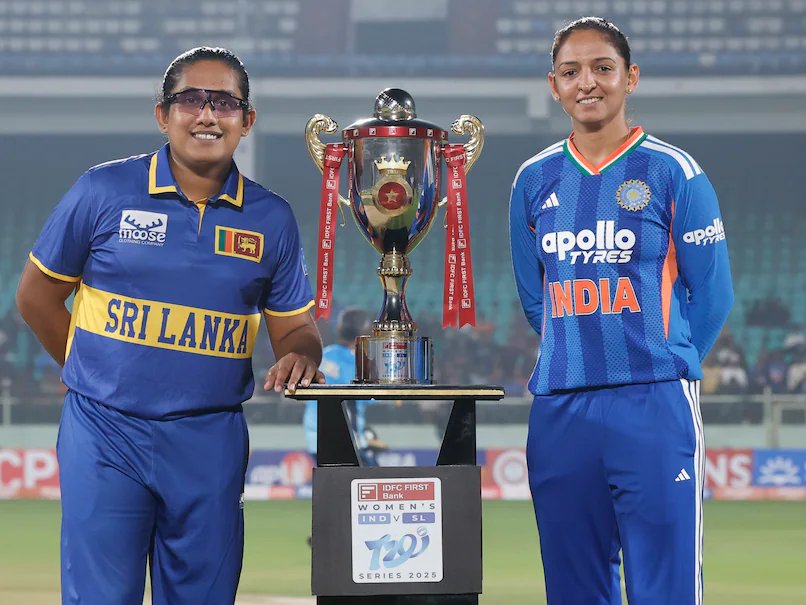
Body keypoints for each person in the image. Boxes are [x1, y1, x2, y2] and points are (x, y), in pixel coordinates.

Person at [15, 46, 323, 605]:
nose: (207, 114)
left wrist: (303, 353)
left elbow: (295, 329)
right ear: (162, 114)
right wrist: (94, 374)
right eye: (191, 100)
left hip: (210, 438)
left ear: (247, 120)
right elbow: (36, 297)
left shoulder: (271, 218)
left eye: (224, 102)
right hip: (105, 432)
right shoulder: (103, 190)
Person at [508, 17, 733, 605]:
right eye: (570, 71)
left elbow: (714, 296)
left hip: (653, 403)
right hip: (561, 407)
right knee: (573, 587)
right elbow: (535, 299)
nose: (587, 82)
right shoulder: (533, 180)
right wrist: (581, 351)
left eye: (602, 68)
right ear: (553, 86)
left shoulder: (673, 172)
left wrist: (663, 360)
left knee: (666, 586)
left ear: (630, 78)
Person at [304, 307, 381, 466]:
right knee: (370, 478)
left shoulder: (323, 355)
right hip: (347, 439)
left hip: (315, 437)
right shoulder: (357, 362)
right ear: (364, 333)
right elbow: (370, 397)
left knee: (331, 480)